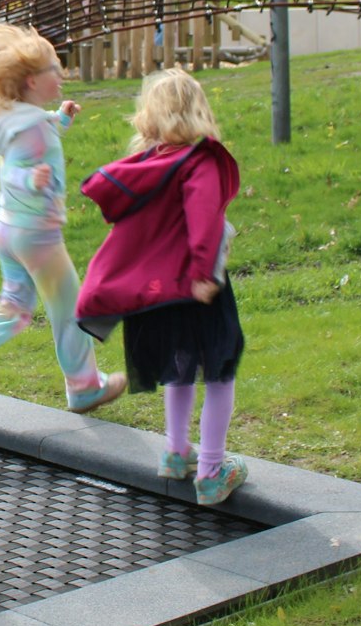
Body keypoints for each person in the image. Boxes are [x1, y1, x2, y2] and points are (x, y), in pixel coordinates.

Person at [0, 24, 127, 413]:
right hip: (38, 235)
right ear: (34, 80)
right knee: (70, 310)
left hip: (8, 232)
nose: (62, 73)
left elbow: (32, 134)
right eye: (55, 68)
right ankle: (85, 387)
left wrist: (61, 120)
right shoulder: (33, 125)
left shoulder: (16, 118)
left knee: (16, 306)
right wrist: (30, 179)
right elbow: (15, 169)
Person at [76, 70, 247, 504]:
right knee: (221, 373)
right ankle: (210, 472)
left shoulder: (148, 165)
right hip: (195, 288)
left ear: (148, 117)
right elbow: (203, 218)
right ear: (199, 111)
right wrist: (205, 274)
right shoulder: (199, 161)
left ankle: (175, 453)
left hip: (156, 296)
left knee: (179, 367)